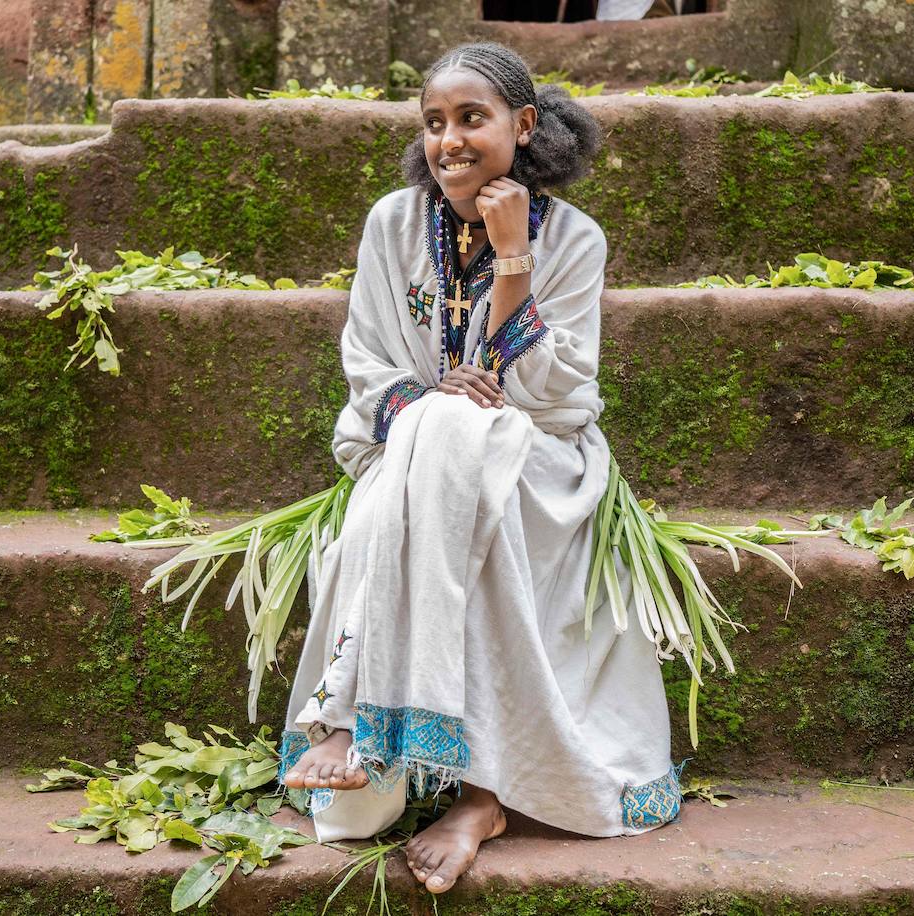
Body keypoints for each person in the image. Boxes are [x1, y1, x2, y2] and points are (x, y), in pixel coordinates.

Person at [276, 41, 681, 895]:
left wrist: (513, 259)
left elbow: (555, 395)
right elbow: (369, 364)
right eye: (433, 122)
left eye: (471, 118)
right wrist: (435, 407)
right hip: (407, 451)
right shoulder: (392, 224)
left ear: (523, 126)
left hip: (538, 464)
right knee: (442, 432)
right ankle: (458, 783)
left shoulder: (575, 238)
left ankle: (402, 748)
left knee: (462, 445)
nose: (448, 140)